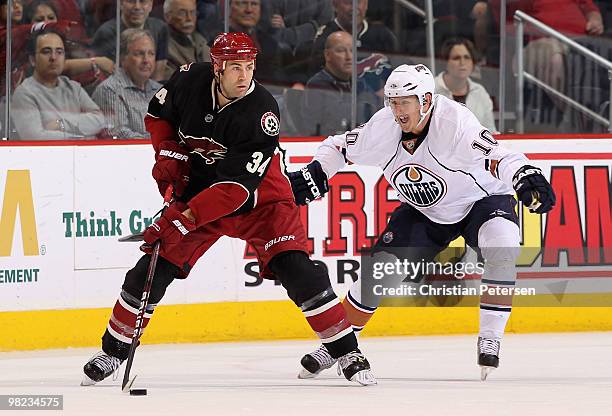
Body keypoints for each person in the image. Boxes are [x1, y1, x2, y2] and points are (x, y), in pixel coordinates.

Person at [81, 32, 376, 386]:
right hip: (201, 190)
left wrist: (183, 220)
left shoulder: (261, 111)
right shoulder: (189, 78)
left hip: (261, 201)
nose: (244, 76)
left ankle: (347, 352)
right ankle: (113, 352)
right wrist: (167, 153)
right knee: (150, 270)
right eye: (235, 67)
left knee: (298, 272)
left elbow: (236, 190)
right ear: (217, 67)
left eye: (250, 67)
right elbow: (158, 116)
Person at [288, 64, 555, 380]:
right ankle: (338, 344)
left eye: (405, 101)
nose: (398, 110)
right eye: (393, 101)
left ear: (426, 100)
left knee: (503, 245)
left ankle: (491, 337)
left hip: (480, 202)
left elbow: (499, 155)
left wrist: (525, 174)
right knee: (378, 272)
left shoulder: (455, 125)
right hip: (426, 211)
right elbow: (337, 146)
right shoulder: (383, 128)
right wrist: (318, 171)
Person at [11, 27, 105, 139]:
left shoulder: (74, 87)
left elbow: (99, 120)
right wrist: (82, 138)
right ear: (32, 60)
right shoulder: (24, 94)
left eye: (59, 52)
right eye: (46, 52)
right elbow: (35, 137)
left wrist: (62, 125)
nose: (53, 57)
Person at [303, 30, 378, 135]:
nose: (349, 57)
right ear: (327, 55)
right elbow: (335, 118)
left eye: (352, 51)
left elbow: (375, 110)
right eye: (341, 50)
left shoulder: (359, 83)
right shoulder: (317, 85)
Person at [92, 29, 161, 138]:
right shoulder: (110, 89)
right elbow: (117, 133)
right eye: (139, 54)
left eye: (151, 54)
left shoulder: (160, 90)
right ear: (123, 57)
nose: (146, 60)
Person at [91, 0, 169, 81]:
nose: (137, 7)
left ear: (151, 5)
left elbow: (158, 75)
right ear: (121, 4)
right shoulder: (106, 33)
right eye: (131, 1)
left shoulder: (160, 28)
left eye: (143, 1)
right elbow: (107, 75)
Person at [434, 37, 497, 132]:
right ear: (445, 62)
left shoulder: (480, 92)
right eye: (456, 58)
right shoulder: (431, 89)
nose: (462, 63)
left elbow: (490, 131)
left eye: (467, 57)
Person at [163, 0, 210, 80]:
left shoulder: (202, 40)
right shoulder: (164, 46)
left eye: (192, 12)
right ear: (168, 16)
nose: (189, 18)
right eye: (182, 13)